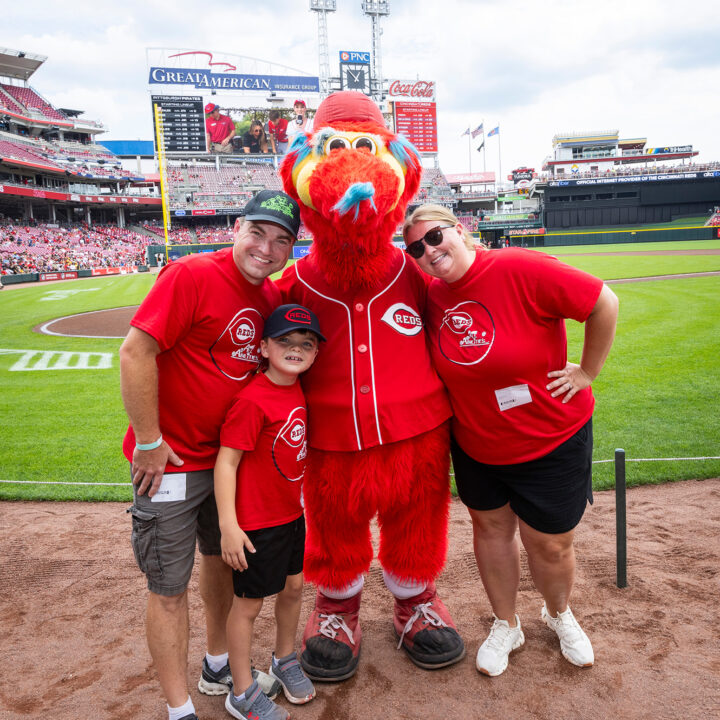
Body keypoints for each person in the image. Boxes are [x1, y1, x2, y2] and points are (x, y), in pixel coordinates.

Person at [402, 204, 619, 678]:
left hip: (550, 438)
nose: (430, 251)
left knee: (551, 545)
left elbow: (604, 301)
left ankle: (558, 613)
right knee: (492, 533)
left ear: (461, 230)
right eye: (416, 247)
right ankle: (506, 624)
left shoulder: (519, 266)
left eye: (435, 237)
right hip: (478, 444)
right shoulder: (434, 295)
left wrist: (587, 371)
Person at [119, 189, 301, 720]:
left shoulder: (268, 300)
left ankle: (217, 664)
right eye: (258, 233)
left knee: (222, 562)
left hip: (226, 462)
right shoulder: (191, 274)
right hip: (170, 463)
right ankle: (180, 710)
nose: (266, 249)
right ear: (237, 228)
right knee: (168, 587)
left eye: (281, 240)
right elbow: (135, 351)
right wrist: (149, 441)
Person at [215, 303, 324, 720]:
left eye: (306, 344)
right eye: (284, 341)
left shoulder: (297, 387)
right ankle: (241, 690)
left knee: (294, 588)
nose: (295, 349)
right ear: (262, 347)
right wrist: (229, 525)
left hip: (290, 516)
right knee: (247, 606)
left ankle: (284, 658)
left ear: (315, 354)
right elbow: (226, 463)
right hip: (255, 524)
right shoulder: (252, 400)